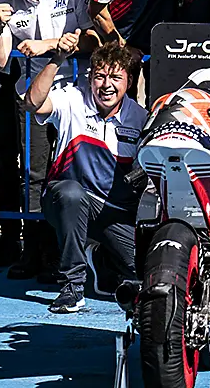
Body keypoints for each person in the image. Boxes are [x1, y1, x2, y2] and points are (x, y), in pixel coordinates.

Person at [0, 0, 97, 278]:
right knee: (32, 175)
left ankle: (59, 252)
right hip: (31, 96)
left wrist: (50, 44)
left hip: (74, 94)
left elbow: (92, 38)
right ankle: (31, 250)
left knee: (68, 173)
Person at [25, 37, 147, 314]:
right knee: (72, 194)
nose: (107, 85)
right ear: (90, 78)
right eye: (100, 76)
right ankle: (72, 286)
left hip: (113, 212)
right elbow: (33, 103)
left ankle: (102, 258)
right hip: (66, 200)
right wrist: (57, 60)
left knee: (143, 272)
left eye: (116, 77)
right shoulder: (72, 99)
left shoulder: (140, 118)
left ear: (129, 81)